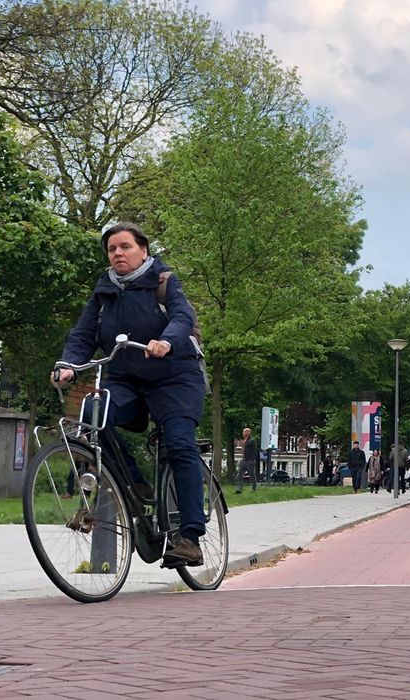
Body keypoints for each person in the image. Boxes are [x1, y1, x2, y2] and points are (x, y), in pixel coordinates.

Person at [53, 222, 206, 567]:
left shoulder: (164, 282)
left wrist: (166, 341)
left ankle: (191, 537)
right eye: (111, 249)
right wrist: (67, 365)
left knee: (180, 444)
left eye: (125, 247)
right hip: (126, 378)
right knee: (94, 415)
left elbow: (182, 316)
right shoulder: (104, 291)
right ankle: (136, 486)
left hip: (175, 376)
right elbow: (83, 335)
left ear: (144, 251)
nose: (118, 253)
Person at [236, 427, 258, 493]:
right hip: (244, 460)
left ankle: (253, 488)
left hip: (249, 460)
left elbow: (255, 451)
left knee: (252, 475)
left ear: (247, 433)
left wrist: (253, 460)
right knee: (240, 474)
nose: (242, 433)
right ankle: (239, 489)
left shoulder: (252, 441)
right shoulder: (243, 440)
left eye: (243, 432)